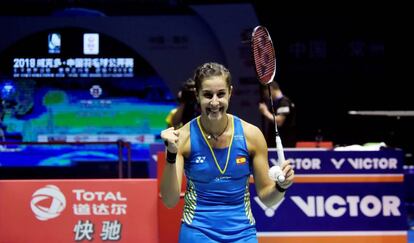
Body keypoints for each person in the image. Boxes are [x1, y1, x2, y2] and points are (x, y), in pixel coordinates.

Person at [160, 62, 294, 243]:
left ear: (230, 93)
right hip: (198, 232)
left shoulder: (251, 136)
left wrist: (281, 187)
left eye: (220, 94)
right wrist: (170, 155)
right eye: (207, 95)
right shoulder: (183, 137)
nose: (214, 102)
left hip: (242, 234)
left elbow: (267, 198)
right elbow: (169, 201)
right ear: (198, 96)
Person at [259, 82, 296, 148]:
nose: (265, 96)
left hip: (285, 143)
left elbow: (279, 122)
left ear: (270, 89)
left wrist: (265, 112)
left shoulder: (284, 102)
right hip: (275, 142)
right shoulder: (275, 103)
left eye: (265, 93)